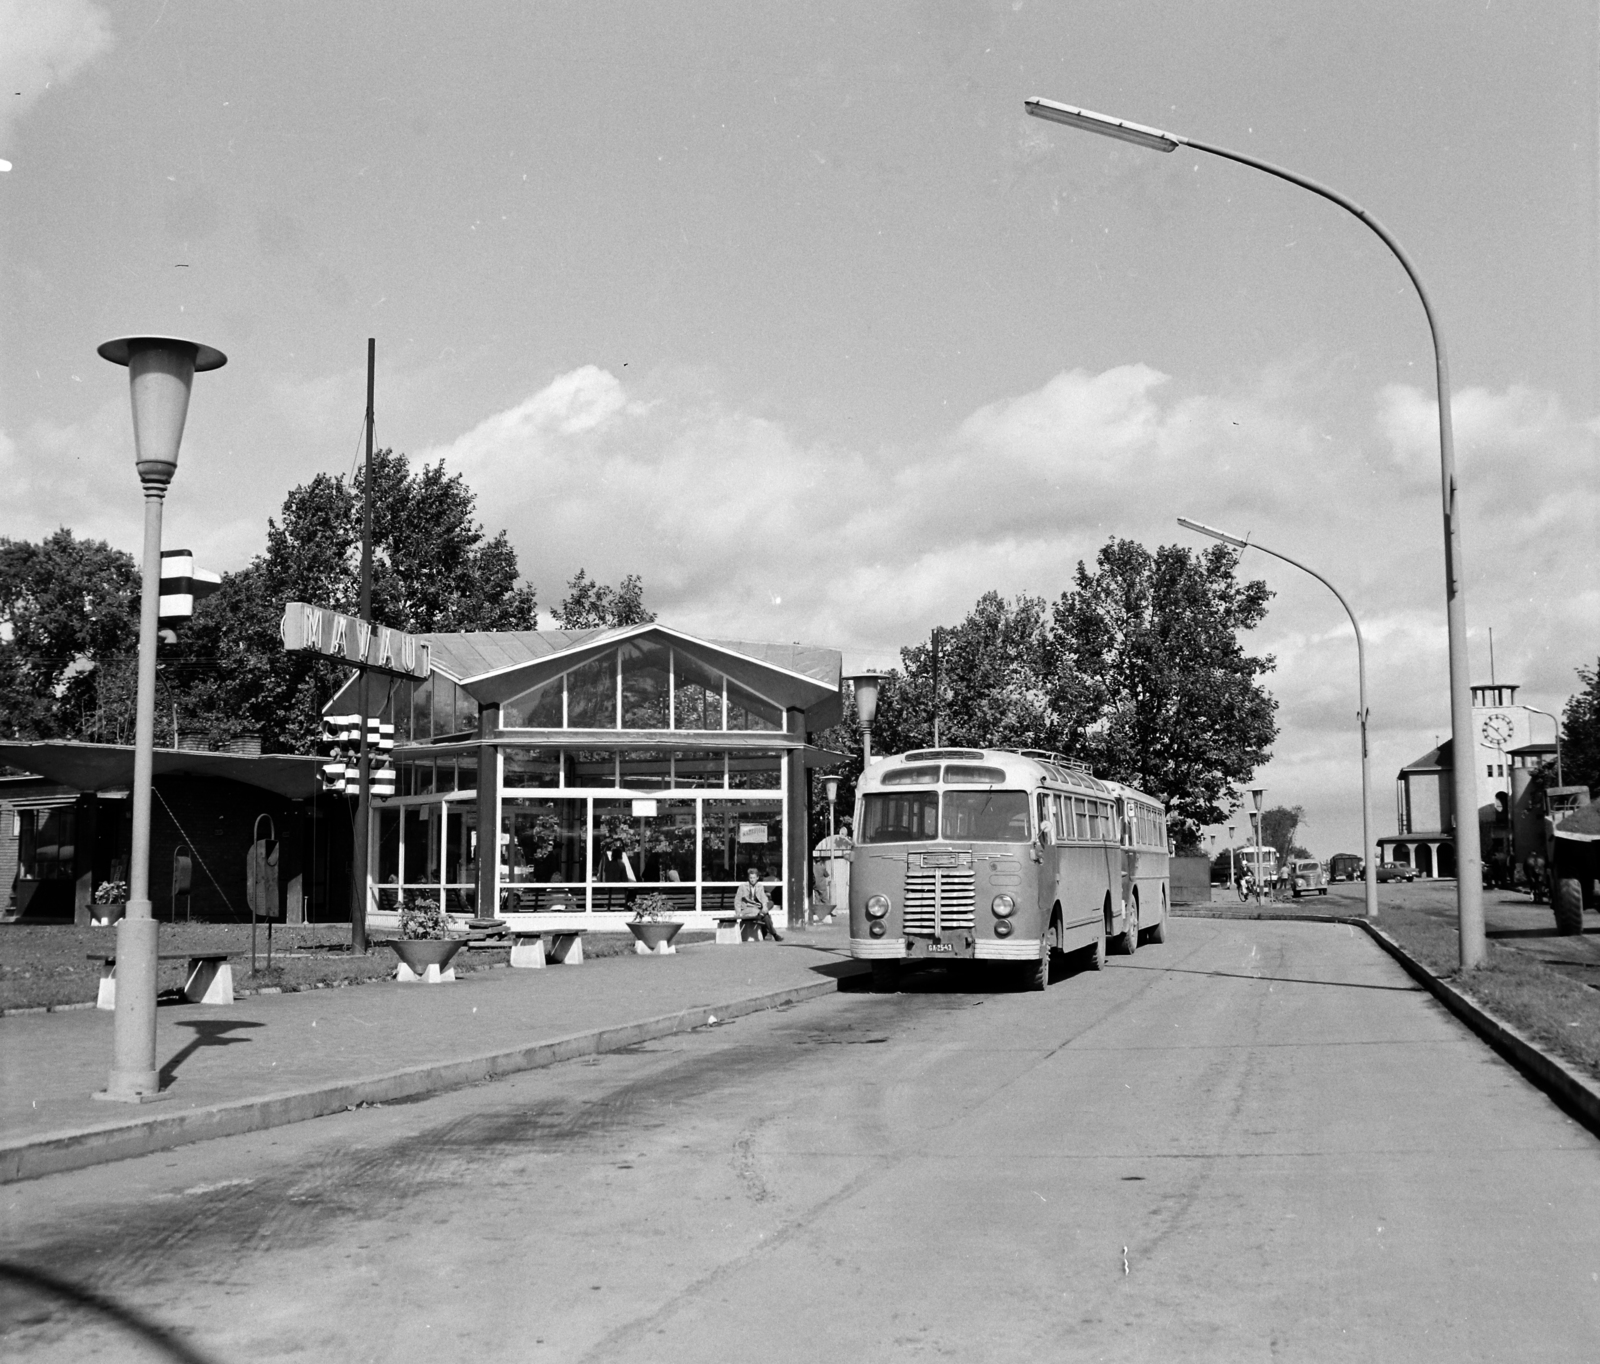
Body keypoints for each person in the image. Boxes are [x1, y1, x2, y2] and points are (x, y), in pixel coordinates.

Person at [733, 867, 782, 941]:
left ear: (757, 878)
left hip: (757, 908)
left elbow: (764, 898)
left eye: (753, 878)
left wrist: (765, 907)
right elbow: (737, 900)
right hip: (747, 909)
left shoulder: (760, 886)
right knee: (766, 916)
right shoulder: (742, 886)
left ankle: (761, 915)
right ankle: (775, 934)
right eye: (750, 878)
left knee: (771, 903)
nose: (752, 880)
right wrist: (738, 912)